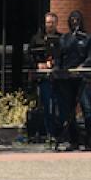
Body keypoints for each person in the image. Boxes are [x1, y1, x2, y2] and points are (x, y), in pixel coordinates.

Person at [55, 10, 91, 149]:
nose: (75, 22)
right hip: (67, 78)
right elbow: (59, 57)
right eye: (72, 20)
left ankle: (90, 138)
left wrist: (82, 67)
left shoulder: (88, 38)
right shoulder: (64, 38)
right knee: (69, 110)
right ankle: (74, 140)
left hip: (82, 78)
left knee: (87, 108)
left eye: (77, 20)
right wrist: (57, 69)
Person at [27, 13, 61, 147]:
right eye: (48, 23)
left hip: (58, 78)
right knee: (47, 106)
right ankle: (49, 134)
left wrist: (56, 64)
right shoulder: (36, 39)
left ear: (56, 24)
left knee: (59, 106)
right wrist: (38, 65)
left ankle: (59, 133)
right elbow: (29, 56)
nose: (50, 25)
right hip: (43, 78)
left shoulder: (61, 39)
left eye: (52, 23)